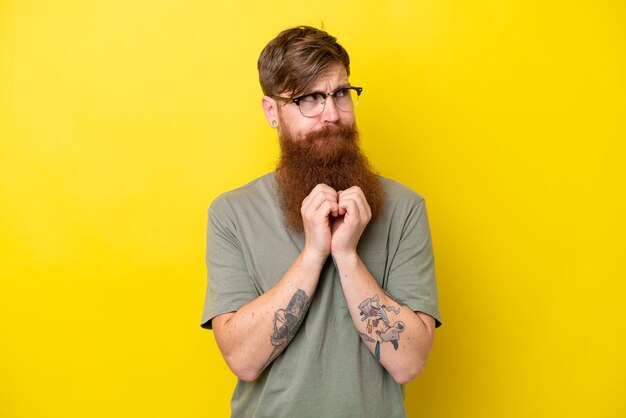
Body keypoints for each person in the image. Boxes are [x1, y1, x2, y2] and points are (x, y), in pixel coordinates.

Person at [201, 25, 442, 417]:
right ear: (271, 111)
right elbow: (243, 360)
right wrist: (314, 252)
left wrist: (346, 254)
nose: (331, 115)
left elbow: (409, 362)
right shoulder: (231, 213)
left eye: (341, 94)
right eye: (309, 98)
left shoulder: (405, 208)